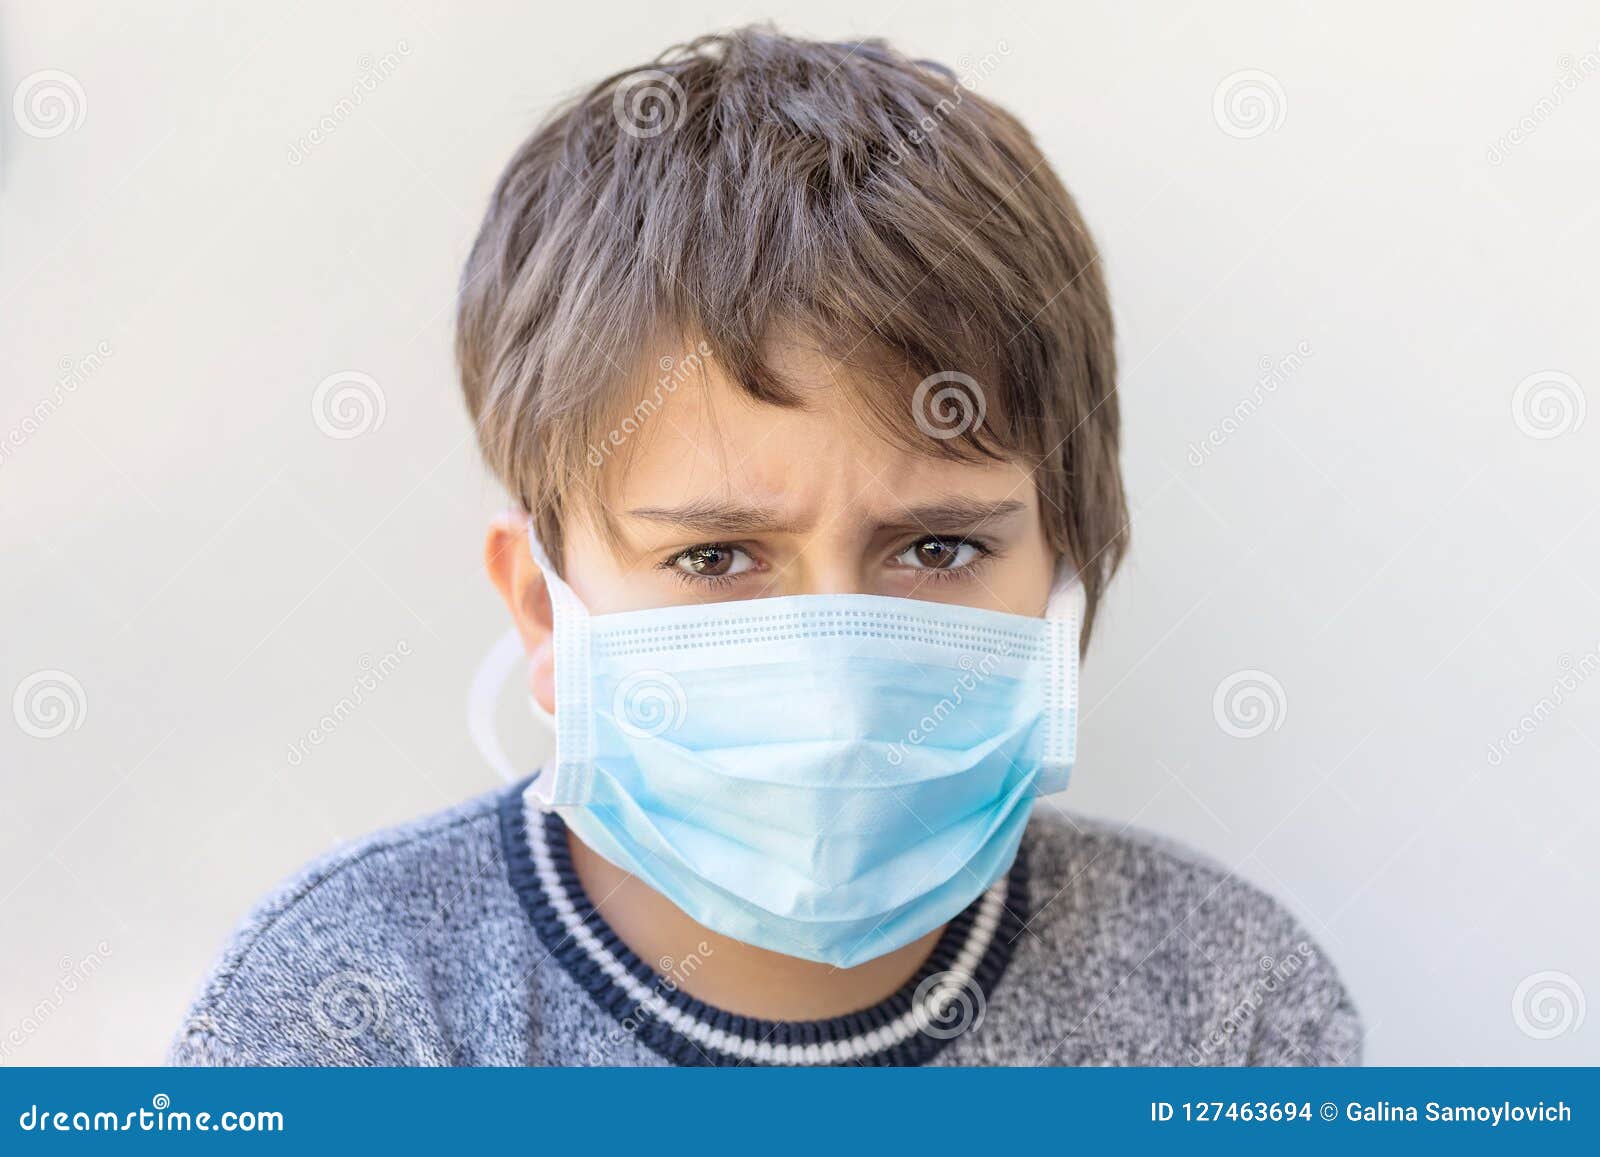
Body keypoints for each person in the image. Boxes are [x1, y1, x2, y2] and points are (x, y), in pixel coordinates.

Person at [170, 27, 1360, 1067]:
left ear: (1064, 564)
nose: (836, 685)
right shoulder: (350, 1012)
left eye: (937, 547)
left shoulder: (1226, 1003)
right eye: (715, 556)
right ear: (544, 609)